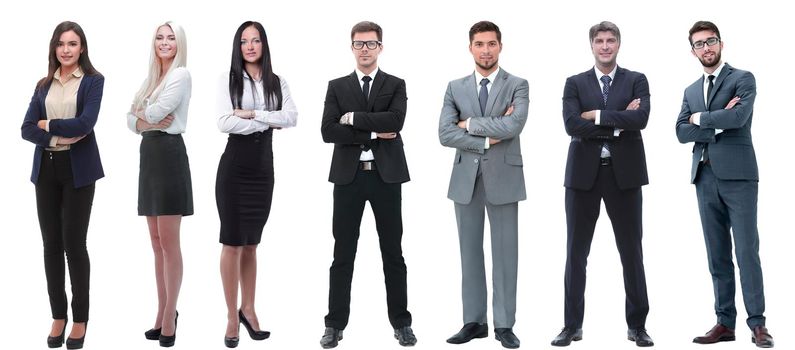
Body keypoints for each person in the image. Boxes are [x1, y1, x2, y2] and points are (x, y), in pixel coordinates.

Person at [551, 21, 653, 347]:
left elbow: (641, 120)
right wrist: (617, 120)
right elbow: (570, 126)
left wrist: (593, 115)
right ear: (591, 45)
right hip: (583, 177)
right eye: (600, 41)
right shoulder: (574, 83)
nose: (605, 46)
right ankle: (571, 326)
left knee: (631, 253)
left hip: (625, 177)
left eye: (611, 40)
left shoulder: (636, 80)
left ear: (618, 44)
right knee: (575, 254)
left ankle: (637, 326)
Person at [676, 20, 773, 348]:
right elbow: (679, 132)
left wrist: (700, 118)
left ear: (721, 43)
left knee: (747, 251)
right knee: (717, 255)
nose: (706, 48)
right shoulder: (691, 90)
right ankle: (724, 323)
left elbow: (739, 118)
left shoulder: (742, 79)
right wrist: (715, 122)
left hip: (740, 178)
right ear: (692, 51)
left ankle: (757, 324)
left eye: (711, 41)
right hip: (704, 177)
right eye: (699, 44)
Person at [319, 21, 415, 349]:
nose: (365, 49)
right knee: (342, 253)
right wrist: (374, 132)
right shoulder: (336, 86)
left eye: (371, 44)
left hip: (386, 177)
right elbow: (328, 131)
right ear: (351, 47)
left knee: (393, 252)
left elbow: (396, 121)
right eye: (359, 44)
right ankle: (334, 324)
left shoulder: (396, 84)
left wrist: (354, 118)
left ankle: (401, 323)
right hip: (349, 178)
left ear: (380, 47)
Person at [438, 20, 528, 350]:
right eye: (479, 44)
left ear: (500, 46)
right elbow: (445, 133)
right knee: (469, 252)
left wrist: (469, 123)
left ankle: (504, 325)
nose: (486, 50)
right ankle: (473, 322)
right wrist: (487, 139)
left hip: (505, 177)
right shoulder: (454, 87)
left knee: (506, 254)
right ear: (470, 47)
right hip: (465, 179)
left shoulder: (518, 84)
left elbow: (515, 124)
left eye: (491, 43)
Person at [21, 21, 104, 350]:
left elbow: (86, 123)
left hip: (78, 170)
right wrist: (57, 134)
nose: (66, 49)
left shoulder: (93, 81)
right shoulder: (43, 85)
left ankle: (80, 318)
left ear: (82, 47)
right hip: (47, 170)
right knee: (51, 244)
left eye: (73, 43)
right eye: (61, 44)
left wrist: (48, 124)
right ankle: (58, 315)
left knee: (74, 243)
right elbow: (27, 128)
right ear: (54, 48)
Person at [216, 21, 297, 349]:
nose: (250, 46)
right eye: (244, 41)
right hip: (234, 170)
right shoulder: (228, 80)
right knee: (232, 242)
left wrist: (251, 114)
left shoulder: (279, 81)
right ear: (238, 47)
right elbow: (224, 123)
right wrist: (267, 118)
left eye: (256, 40)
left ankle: (248, 309)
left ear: (264, 44)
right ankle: (231, 316)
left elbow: (291, 118)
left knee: (251, 243)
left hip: (264, 171)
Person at [126, 21, 192, 348]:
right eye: (159, 38)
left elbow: (159, 112)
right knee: (155, 241)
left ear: (179, 43)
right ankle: (161, 310)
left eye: (170, 38)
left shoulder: (180, 75)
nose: (165, 42)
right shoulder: (152, 79)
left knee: (169, 241)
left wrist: (143, 113)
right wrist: (143, 116)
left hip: (168, 155)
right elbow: (130, 118)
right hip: (149, 156)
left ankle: (170, 315)